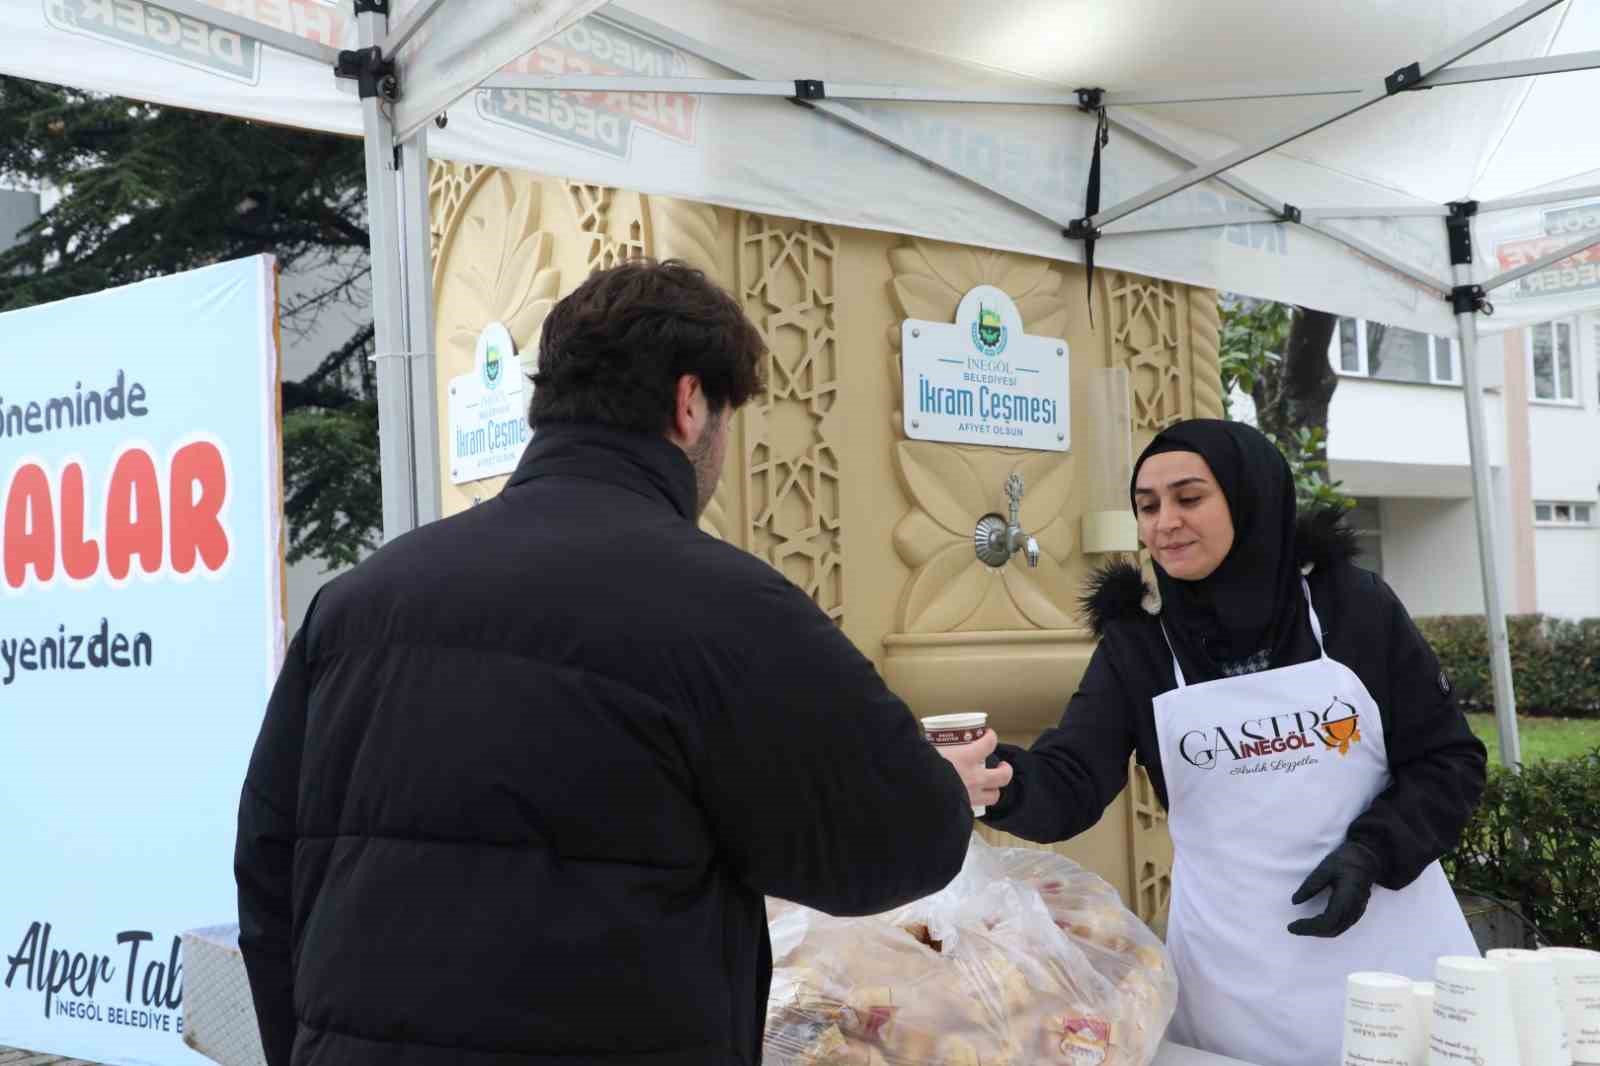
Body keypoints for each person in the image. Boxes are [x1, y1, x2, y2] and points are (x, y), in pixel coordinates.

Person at [234, 258, 975, 1066]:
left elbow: (268, 868)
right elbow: (895, 839)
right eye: (726, 419)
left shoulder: (354, 605)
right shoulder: (727, 608)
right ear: (691, 404)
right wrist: (950, 791)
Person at [936, 419, 1486, 1066]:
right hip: (1237, 985)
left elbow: (1449, 760)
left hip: (1393, 958)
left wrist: (1374, 852)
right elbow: (1072, 781)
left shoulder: (1351, 610)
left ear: (1249, 497)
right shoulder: (1138, 650)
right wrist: (1000, 778)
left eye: (1189, 498)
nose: (1164, 521)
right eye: (1147, 506)